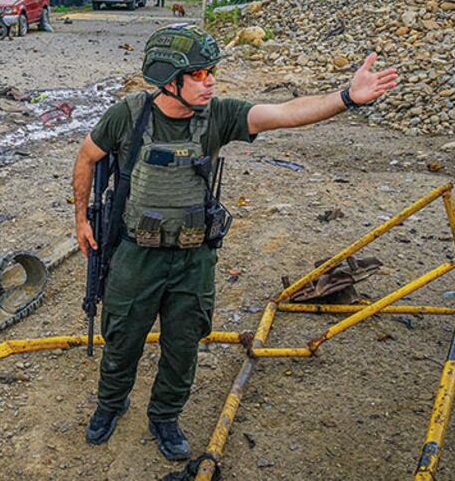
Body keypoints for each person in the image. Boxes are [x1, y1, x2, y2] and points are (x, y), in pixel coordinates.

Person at [71, 25, 397, 461]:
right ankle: (111, 405)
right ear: (169, 79)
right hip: (135, 255)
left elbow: (283, 113)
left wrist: (346, 98)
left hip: (193, 259)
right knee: (122, 338)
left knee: (184, 345)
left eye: (211, 73)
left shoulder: (219, 115)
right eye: (199, 74)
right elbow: (87, 157)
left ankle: (165, 417)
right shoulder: (127, 116)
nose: (210, 82)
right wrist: (81, 219)